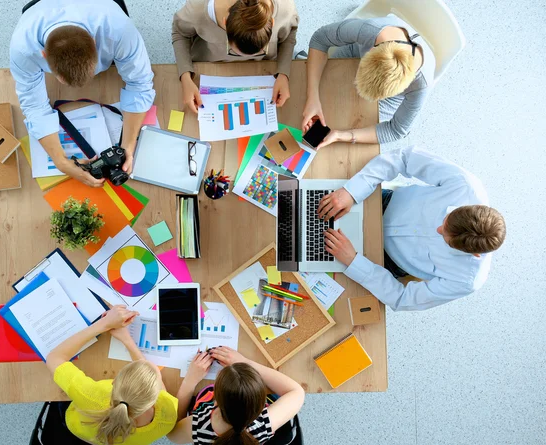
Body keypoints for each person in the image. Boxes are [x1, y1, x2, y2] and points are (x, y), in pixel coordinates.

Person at [318, 147, 506, 311]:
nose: (438, 229)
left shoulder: (467, 279)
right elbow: (406, 157)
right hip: (377, 203)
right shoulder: (466, 186)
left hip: (380, 263)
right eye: (446, 219)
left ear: (473, 255)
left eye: (445, 240)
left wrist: (354, 262)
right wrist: (352, 191)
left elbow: (402, 299)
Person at [10, 0, 156, 187]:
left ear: (94, 43)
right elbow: (33, 105)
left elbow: (140, 83)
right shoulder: (22, 47)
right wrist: (61, 162)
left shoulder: (120, 29)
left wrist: (128, 146)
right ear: (44, 55)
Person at [45, 306, 178, 444]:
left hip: (76, 427)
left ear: (113, 382)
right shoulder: (167, 415)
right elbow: (154, 379)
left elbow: (54, 358)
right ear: (155, 397)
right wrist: (127, 340)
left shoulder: (90, 395)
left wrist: (104, 324)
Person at [302, 16, 437, 147]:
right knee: (310, 94)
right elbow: (320, 39)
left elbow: (396, 130)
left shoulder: (421, 85)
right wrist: (312, 97)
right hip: (353, 54)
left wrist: (341, 135)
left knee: (348, 123)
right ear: (371, 50)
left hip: (387, 101)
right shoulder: (369, 30)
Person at [172, 0, 299, 113]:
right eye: (235, 51)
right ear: (225, 23)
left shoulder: (285, 8)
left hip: (263, 68)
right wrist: (185, 78)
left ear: (272, 22)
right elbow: (179, 33)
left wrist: (283, 74)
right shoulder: (197, 9)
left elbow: (288, 35)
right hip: (210, 66)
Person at [167, 346, 305, 444]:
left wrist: (189, 382)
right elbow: (297, 391)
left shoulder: (200, 426)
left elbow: (173, 434)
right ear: (260, 404)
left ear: (215, 401)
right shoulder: (261, 425)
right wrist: (246, 363)